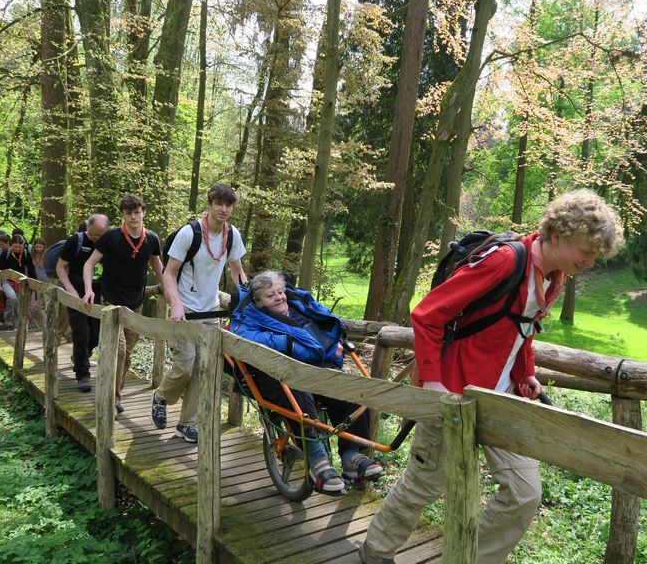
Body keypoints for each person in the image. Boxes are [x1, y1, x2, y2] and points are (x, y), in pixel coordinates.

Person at [359, 190, 625, 564]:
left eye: (596, 256)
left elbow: (522, 328)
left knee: (523, 492)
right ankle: (375, 552)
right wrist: (433, 381)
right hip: (454, 395)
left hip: (502, 399)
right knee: (425, 484)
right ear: (558, 236)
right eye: (587, 252)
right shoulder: (504, 261)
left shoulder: (555, 278)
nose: (591, 262)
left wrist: (525, 373)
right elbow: (427, 315)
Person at [231, 270, 384, 496]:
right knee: (296, 390)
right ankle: (317, 459)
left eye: (281, 292)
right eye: (271, 295)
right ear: (257, 301)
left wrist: (331, 347)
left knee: (352, 389)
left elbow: (327, 332)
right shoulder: (248, 318)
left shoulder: (300, 307)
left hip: (315, 367)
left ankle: (351, 456)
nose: (280, 297)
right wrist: (294, 345)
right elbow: (251, 340)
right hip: (276, 373)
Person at [152, 184, 248, 443]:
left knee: (202, 369)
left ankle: (187, 424)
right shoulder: (189, 233)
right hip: (185, 310)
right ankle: (161, 396)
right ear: (209, 204)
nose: (224, 209)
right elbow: (168, 273)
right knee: (185, 365)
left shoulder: (231, 235)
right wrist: (176, 303)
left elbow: (237, 271)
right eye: (219, 203)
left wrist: (247, 301)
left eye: (229, 205)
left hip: (211, 310)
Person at [83, 196, 163, 415]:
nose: (133, 217)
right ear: (123, 215)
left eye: (137, 212)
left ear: (144, 212)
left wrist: (171, 294)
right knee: (117, 350)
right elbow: (89, 264)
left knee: (126, 353)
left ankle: (115, 392)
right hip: (111, 301)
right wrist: (89, 289)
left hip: (135, 303)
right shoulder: (111, 238)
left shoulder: (152, 239)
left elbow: (158, 266)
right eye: (129, 213)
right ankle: (111, 399)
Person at [57, 214, 109, 392]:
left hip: (98, 296)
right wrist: (69, 288)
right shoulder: (76, 241)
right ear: (88, 228)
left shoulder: (109, 242)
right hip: (77, 295)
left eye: (100, 235)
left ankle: (81, 356)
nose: (96, 239)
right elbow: (60, 267)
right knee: (81, 332)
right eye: (93, 234)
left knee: (96, 334)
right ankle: (83, 375)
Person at [0, 234, 36, 329]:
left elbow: (31, 270)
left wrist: (33, 283)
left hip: (21, 281)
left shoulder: (26, 254)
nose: (17, 249)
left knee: (19, 301)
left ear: (23, 245)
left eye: (19, 246)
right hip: (7, 280)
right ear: (11, 244)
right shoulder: (6, 253)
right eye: (15, 246)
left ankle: (17, 323)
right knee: (12, 298)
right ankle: (8, 321)